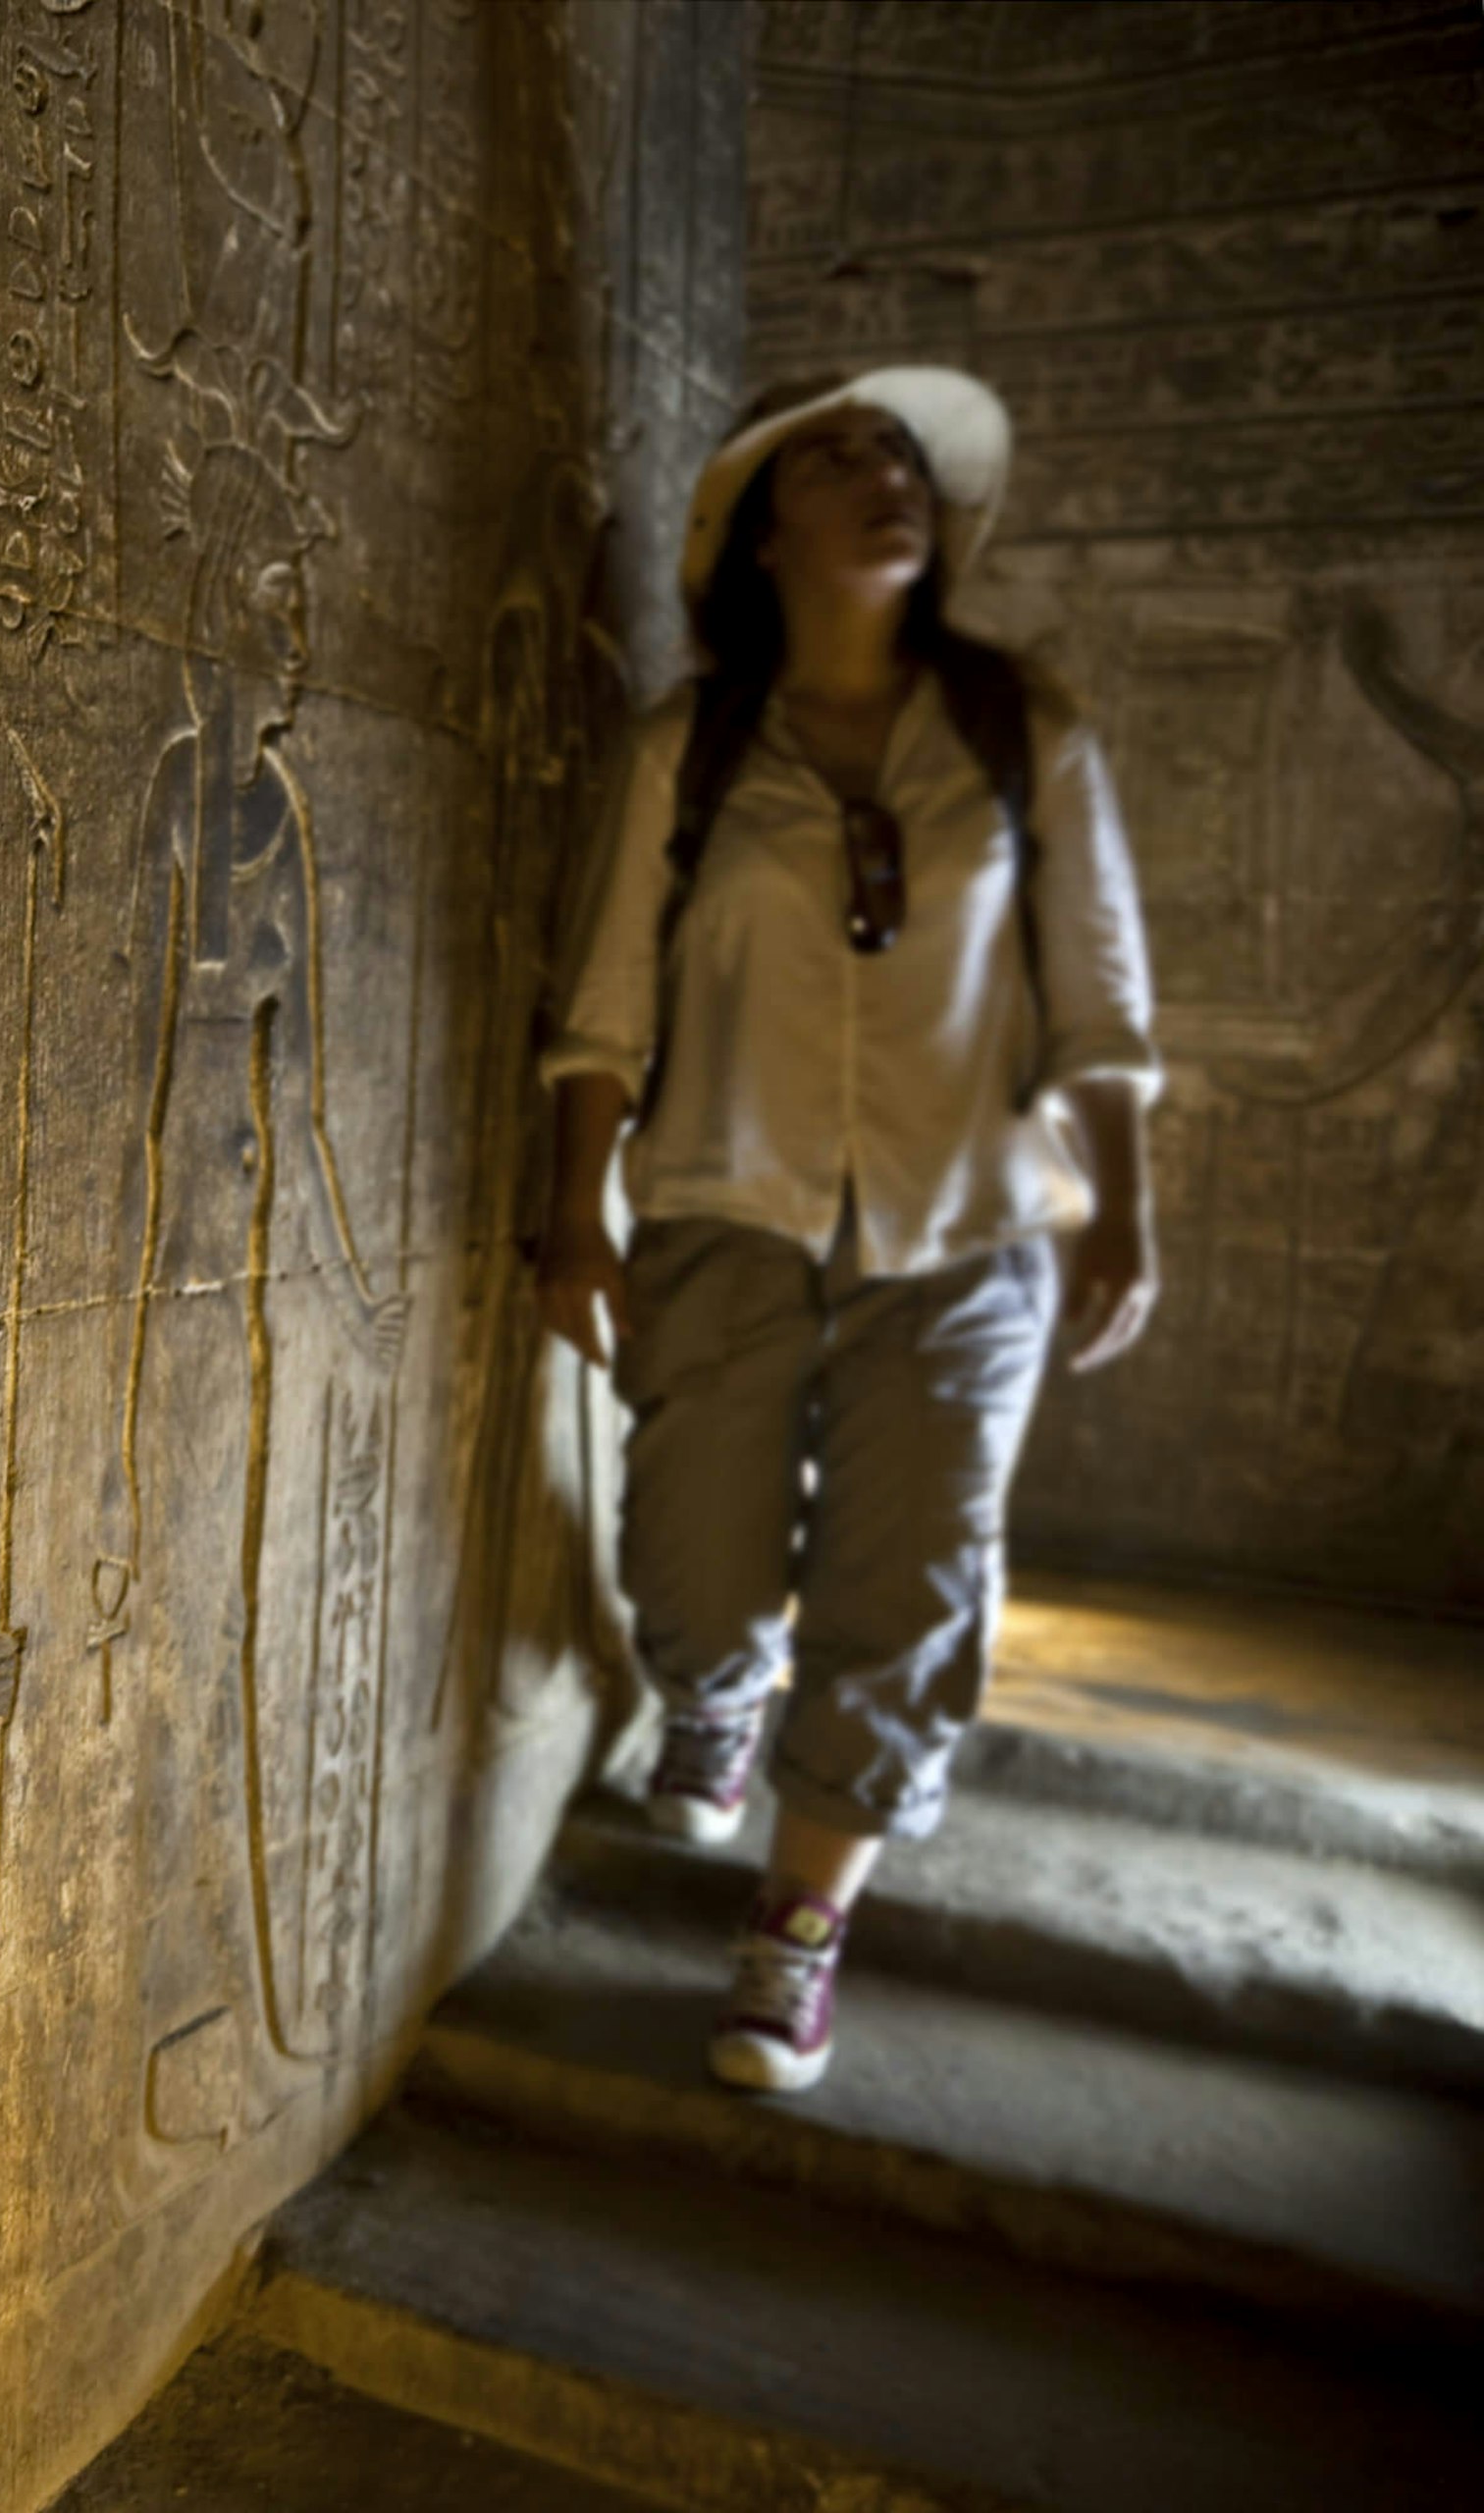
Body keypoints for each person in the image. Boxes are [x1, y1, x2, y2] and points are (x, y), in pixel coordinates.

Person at [534, 370, 1162, 2093]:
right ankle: (714, 1686)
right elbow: (602, 1002)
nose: (885, 478)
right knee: (698, 1555)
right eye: (837, 458)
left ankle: (796, 1930)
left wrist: (1122, 1211)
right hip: (723, 1205)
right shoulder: (696, 746)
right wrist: (571, 1216)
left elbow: (1097, 992)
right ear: (762, 535)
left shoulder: (1023, 729)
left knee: (913, 1579)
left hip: (970, 1232)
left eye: (902, 459)